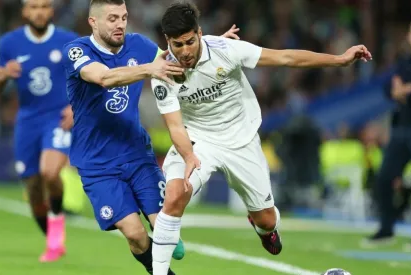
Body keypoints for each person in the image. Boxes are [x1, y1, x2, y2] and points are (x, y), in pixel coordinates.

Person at [149, 2, 372, 274]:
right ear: (166, 41)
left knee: (267, 219)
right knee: (174, 195)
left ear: (199, 32)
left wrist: (338, 58)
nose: (184, 51)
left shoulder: (226, 50)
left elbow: (286, 58)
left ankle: (261, 226)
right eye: (176, 45)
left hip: (241, 140)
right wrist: (188, 158)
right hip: (198, 141)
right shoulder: (161, 71)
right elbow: (174, 127)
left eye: (189, 42)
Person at [61, 0, 239, 274]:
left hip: (136, 154)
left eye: (123, 17)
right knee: (134, 234)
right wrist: (148, 69)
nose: (120, 23)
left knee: (164, 225)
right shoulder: (77, 50)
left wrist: (210, 49)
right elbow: (104, 78)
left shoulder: (139, 45)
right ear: (93, 22)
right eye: (111, 18)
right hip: (97, 164)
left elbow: (177, 59)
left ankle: (166, 237)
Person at [0, 0, 77, 262]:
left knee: (50, 172)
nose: (39, 11)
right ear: (25, 11)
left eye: (45, 6)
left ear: (52, 11)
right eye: (34, 6)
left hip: (57, 118)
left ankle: (57, 223)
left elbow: (89, 78)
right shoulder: (9, 43)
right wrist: (4, 74)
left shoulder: (69, 41)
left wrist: (75, 108)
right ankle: (53, 240)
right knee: (34, 190)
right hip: (27, 121)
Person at [365, 19, 411, 249]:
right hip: (401, 127)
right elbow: (388, 86)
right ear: (408, 37)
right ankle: (386, 228)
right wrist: (401, 90)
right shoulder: (404, 62)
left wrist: (405, 90)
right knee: (384, 177)